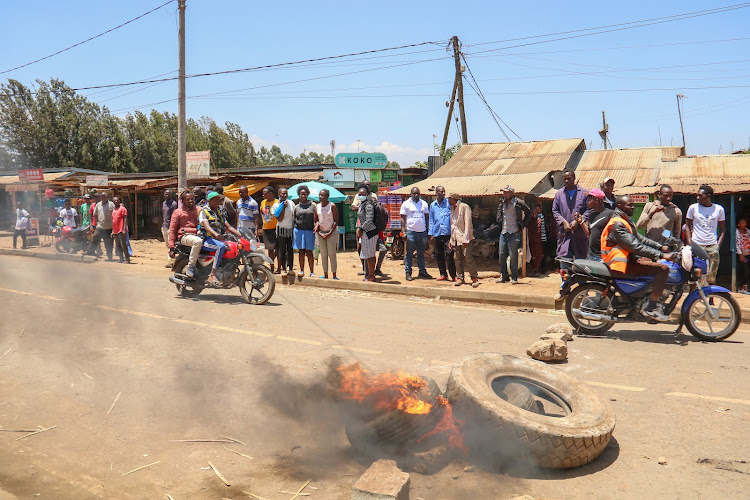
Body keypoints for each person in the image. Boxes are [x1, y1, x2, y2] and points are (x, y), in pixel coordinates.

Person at [602, 195, 674, 322]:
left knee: (653, 262)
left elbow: (640, 238)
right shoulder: (618, 224)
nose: (633, 207)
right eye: (629, 205)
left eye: (633, 205)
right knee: (663, 269)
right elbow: (635, 246)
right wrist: (661, 255)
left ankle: (643, 299)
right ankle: (651, 308)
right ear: (620, 206)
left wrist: (660, 247)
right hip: (620, 264)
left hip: (628, 259)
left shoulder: (624, 220)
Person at [199, 191, 242, 286]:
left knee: (232, 246)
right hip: (205, 239)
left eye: (219, 200)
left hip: (216, 239)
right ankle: (212, 274)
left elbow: (229, 227)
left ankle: (226, 272)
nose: (218, 202)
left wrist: (241, 235)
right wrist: (216, 234)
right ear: (209, 201)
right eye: (215, 200)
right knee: (221, 247)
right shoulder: (204, 212)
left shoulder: (218, 212)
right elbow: (207, 226)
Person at [552, 168, 589, 279]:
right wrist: (563, 222)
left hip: (579, 236)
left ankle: (581, 289)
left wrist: (578, 222)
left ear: (574, 178)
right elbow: (555, 210)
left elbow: (589, 210)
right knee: (564, 264)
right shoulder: (559, 194)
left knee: (581, 265)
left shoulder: (584, 193)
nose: (566, 181)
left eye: (569, 179)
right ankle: (565, 289)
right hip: (565, 236)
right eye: (565, 179)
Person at [686, 184, 725, 285]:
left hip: (712, 247)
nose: (697, 197)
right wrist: (690, 243)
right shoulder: (693, 208)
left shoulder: (719, 209)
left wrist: (717, 246)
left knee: (711, 276)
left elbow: (722, 229)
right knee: (695, 276)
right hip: (697, 246)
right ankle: (692, 298)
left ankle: (711, 300)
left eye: (700, 195)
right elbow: (687, 226)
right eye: (697, 195)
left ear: (708, 196)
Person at [493, 185, 531, 285]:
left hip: (514, 232)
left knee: (513, 256)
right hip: (504, 232)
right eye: (504, 192)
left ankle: (514, 277)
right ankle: (504, 276)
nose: (505, 194)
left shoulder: (518, 203)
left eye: (506, 192)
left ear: (511, 193)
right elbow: (499, 215)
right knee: (501, 255)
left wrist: (522, 225)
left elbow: (529, 212)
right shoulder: (501, 202)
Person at [168, 190, 202, 279]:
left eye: (192, 199)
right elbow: (172, 229)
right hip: (184, 237)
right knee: (198, 242)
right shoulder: (177, 212)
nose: (191, 201)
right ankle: (191, 267)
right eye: (188, 199)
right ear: (183, 201)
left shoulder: (200, 210)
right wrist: (171, 247)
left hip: (200, 234)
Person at [400, 186, 431, 281]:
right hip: (411, 231)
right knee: (409, 253)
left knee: (421, 254)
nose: (416, 195)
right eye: (414, 193)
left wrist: (428, 231)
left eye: (418, 193)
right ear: (411, 194)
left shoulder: (424, 204)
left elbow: (426, 218)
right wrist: (403, 231)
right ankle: (408, 272)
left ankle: (422, 271)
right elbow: (402, 218)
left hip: (422, 232)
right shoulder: (406, 204)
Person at [448, 193, 479, 288]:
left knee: (468, 258)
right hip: (456, 238)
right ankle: (460, 277)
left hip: (465, 238)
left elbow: (468, 223)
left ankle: (474, 278)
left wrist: (466, 239)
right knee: (457, 258)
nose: (448, 201)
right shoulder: (452, 209)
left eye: (449, 199)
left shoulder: (464, 207)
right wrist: (451, 239)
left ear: (454, 199)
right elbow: (453, 226)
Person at [429, 186, 456, 282]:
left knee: (450, 254)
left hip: (447, 234)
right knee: (439, 255)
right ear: (437, 193)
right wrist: (431, 233)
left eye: (444, 192)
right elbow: (431, 220)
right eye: (441, 192)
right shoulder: (433, 205)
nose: (443, 193)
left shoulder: (448, 204)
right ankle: (443, 274)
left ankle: (453, 275)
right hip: (437, 233)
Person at [579, 188, 612, 262]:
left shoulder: (610, 214)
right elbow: (589, 234)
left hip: (603, 256)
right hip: (592, 255)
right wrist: (581, 222)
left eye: (589, 200)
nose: (587, 202)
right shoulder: (592, 215)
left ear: (596, 200)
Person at [293, 185, 317, 277]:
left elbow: (316, 219)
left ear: (308, 194)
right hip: (298, 231)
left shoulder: (313, 205)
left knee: (309, 252)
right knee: (301, 252)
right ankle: (302, 270)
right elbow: (294, 219)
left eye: (305, 194)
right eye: (301, 194)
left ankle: (312, 272)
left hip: (309, 231)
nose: (303, 196)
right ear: (299, 195)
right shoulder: (296, 207)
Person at [314, 188, 339, 280]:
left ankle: (334, 274)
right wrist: (318, 230)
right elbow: (316, 220)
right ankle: (325, 274)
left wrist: (329, 233)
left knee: (332, 254)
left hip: (331, 233)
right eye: (319, 195)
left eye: (322, 195)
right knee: (323, 254)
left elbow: (336, 221)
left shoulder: (332, 206)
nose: (320, 197)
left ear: (327, 197)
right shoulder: (317, 206)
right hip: (321, 233)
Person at [357, 185, 379, 282]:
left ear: (367, 195)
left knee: (370, 255)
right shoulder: (362, 204)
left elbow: (369, 220)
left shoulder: (368, 205)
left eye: (363, 194)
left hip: (370, 232)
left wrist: (361, 228)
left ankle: (371, 275)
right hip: (365, 232)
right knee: (367, 254)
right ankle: (369, 274)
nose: (361, 196)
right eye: (359, 194)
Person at [273, 188, 295, 276]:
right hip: (281, 230)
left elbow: (293, 215)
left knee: (290, 249)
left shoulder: (291, 203)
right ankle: (284, 269)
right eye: (283, 194)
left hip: (290, 230)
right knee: (282, 250)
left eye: (286, 194)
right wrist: (283, 208)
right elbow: (280, 219)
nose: (285, 195)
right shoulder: (276, 205)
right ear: (278, 194)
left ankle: (291, 268)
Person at [259, 186, 280, 273]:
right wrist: (263, 220)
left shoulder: (277, 202)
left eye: (265, 193)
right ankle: (271, 268)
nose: (263, 195)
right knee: (270, 250)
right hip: (266, 229)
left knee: (278, 249)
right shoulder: (263, 202)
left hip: (276, 228)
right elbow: (261, 211)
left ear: (271, 193)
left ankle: (279, 268)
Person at [90, 192, 116, 260]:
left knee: (109, 243)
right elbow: (95, 214)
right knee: (94, 239)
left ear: (106, 197)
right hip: (100, 227)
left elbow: (114, 214)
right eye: (101, 196)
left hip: (109, 227)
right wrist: (97, 222)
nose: (103, 198)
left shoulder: (111, 204)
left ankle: (110, 257)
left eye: (104, 196)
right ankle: (90, 252)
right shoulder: (98, 204)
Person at [111, 197, 130, 264]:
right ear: (113, 202)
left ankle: (127, 259)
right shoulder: (113, 210)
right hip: (115, 230)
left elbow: (125, 219)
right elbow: (113, 221)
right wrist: (113, 231)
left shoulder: (123, 209)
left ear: (119, 201)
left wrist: (124, 229)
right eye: (114, 200)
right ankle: (121, 258)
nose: (116, 201)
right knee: (118, 245)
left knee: (123, 245)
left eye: (117, 200)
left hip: (121, 229)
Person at [162, 189, 178, 268]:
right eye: (166, 194)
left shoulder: (174, 204)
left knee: (170, 245)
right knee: (167, 244)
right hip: (164, 226)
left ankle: (171, 262)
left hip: (171, 227)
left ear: (171, 195)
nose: (167, 195)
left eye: (168, 194)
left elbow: (175, 216)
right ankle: (171, 260)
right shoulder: (164, 203)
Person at [527, 203, 544, 276]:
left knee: (538, 255)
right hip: (531, 241)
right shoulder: (529, 221)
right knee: (531, 255)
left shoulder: (539, 221)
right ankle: (533, 269)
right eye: (533, 213)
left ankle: (536, 269)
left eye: (535, 213)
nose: (534, 214)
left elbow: (538, 231)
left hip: (537, 241)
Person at [736, 217, 750, 294]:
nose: (744, 224)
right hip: (742, 254)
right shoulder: (737, 232)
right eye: (742, 223)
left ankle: (744, 288)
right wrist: (741, 254)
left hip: (748, 253)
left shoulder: (748, 231)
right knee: (745, 271)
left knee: (747, 271)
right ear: (739, 224)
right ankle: (741, 287)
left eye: (745, 222)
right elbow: (737, 243)